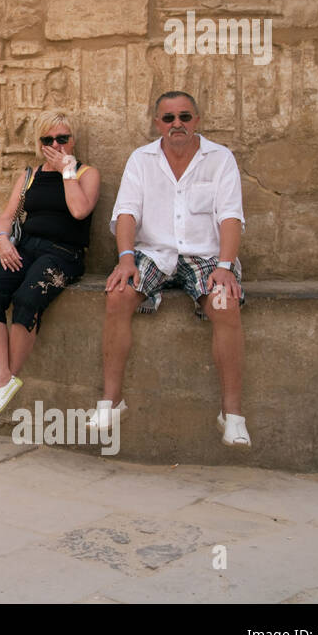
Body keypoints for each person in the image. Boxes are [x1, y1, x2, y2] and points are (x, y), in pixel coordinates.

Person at [95, 91, 251, 448]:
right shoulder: (141, 160)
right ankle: (111, 402)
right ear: (157, 124)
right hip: (154, 251)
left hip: (206, 255)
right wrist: (125, 258)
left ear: (196, 121)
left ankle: (232, 415)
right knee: (118, 295)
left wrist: (225, 267)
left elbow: (230, 216)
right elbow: (126, 214)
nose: (177, 124)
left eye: (184, 117)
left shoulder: (220, 158)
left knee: (225, 305)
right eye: (169, 118)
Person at [0, 111, 100, 418]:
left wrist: (66, 172)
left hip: (63, 253)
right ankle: (3, 378)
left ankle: (6, 380)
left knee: (27, 298)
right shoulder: (29, 175)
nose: (56, 144)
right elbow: (7, 215)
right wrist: (2, 240)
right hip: (25, 247)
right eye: (48, 139)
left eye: (62, 139)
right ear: (39, 144)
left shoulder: (86, 174)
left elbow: (79, 211)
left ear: (73, 140)